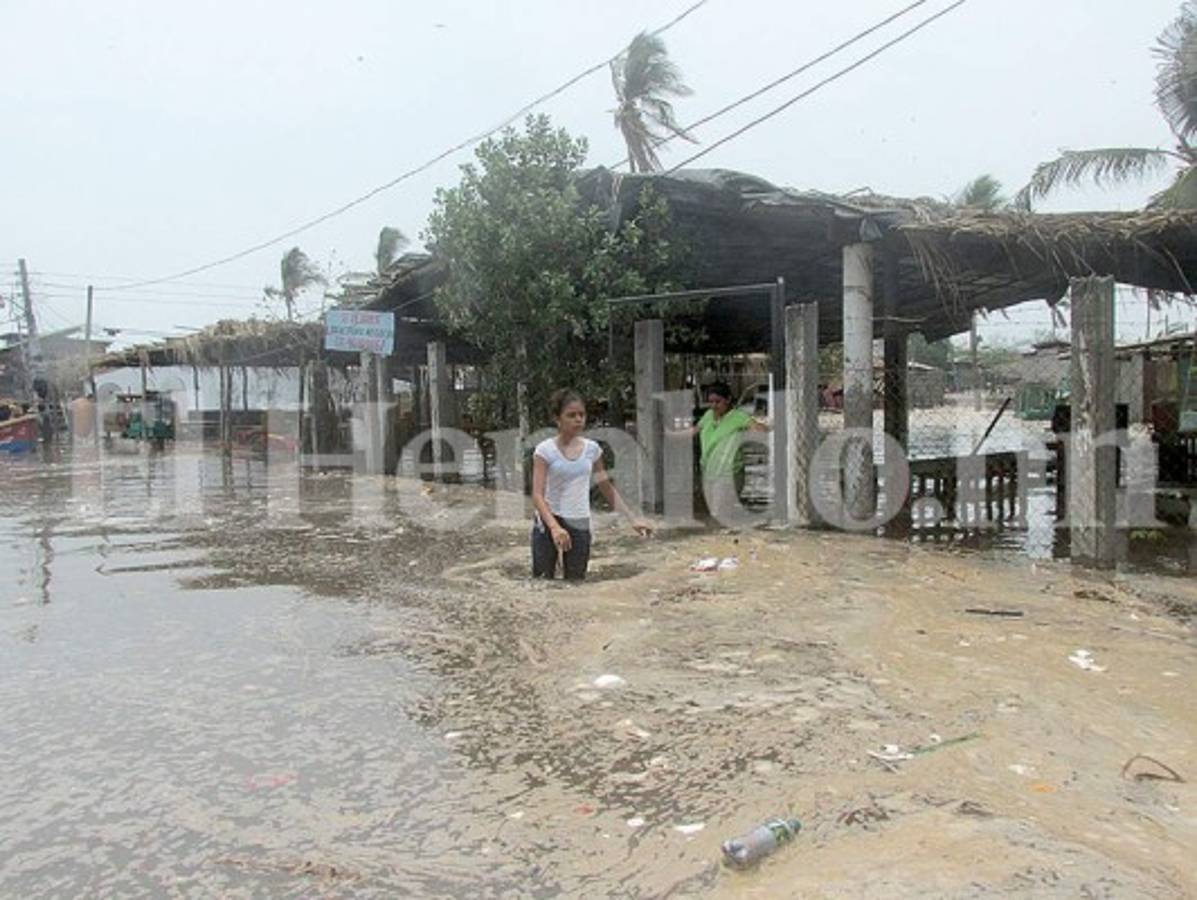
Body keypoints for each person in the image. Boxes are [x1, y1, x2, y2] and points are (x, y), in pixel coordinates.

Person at [531, 388, 651, 580]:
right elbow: (537, 495)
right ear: (557, 419)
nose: (578, 419)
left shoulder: (592, 450)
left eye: (581, 415)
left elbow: (606, 488)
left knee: (577, 581)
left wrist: (632, 519)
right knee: (543, 582)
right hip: (548, 522)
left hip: (579, 520)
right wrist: (554, 528)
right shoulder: (544, 451)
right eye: (571, 415)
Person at [688, 381, 767, 521]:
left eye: (718, 402)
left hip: (730, 473)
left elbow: (758, 428)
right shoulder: (708, 415)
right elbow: (694, 431)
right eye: (710, 402)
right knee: (716, 512)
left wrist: (758, 429)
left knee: (718, 513)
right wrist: (670, 434)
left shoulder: (738, 416)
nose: (714, 406)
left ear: (728, 399)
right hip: (709, 472)